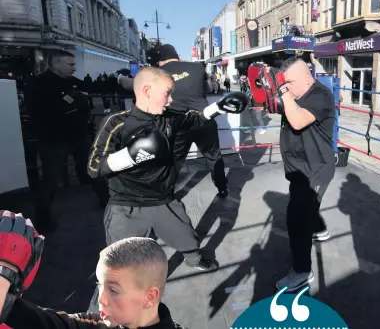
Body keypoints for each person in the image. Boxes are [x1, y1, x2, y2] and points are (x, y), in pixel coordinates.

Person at [87, 67, 247, 311]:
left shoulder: (170, 117)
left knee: (188, 239)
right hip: (126, 206)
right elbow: (93, 166)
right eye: (167, 93)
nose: (171, 99)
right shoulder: (117, 123)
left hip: (164, 201)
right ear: (146, 91)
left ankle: (194, 259)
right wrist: (129, 157)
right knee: (116, 269)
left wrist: (219, 107)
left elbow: (196, 117)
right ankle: (97, 317)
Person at [0, 210, 187, 329]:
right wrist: (5, 274)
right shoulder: (97, 324)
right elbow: (28, 318)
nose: (101, 300)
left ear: (150, 297)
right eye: (100, 285)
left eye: (113, 290)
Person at [251, 57, 336, 291]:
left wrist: (283, 92)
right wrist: (265, 90)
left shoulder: (320, 95)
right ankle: (319, 228)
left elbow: (298, 121)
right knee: (306, 209)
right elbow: (272, 105)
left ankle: (301, 272)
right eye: (283, 84)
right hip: (300, 169)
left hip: (315, 169)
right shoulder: (298, 95)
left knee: (296, 220)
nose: (285, 88)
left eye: (289, 83)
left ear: (306, 78)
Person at [117, 44, 229, 198]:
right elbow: (208, 88)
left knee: (175, 160)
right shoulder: (197, 66)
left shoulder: (159, 73)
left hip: (179, 122)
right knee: (214, 156)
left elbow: (131, 85)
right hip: (203, 118)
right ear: (176, 55)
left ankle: (166, 193)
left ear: (161, 61)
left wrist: (120, 78)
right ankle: (222, 188)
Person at [24, 50, 92, 235]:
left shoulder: (76, 83)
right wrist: (66, 109)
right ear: (55, 63)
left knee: (94, 168)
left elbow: (86, 105)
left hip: (79, 135)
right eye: (70, 64)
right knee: (50, 180)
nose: (74, 68)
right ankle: (42, 220)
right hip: (53, 140)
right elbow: (37, 113)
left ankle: (105, 200)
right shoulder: (37, 84)